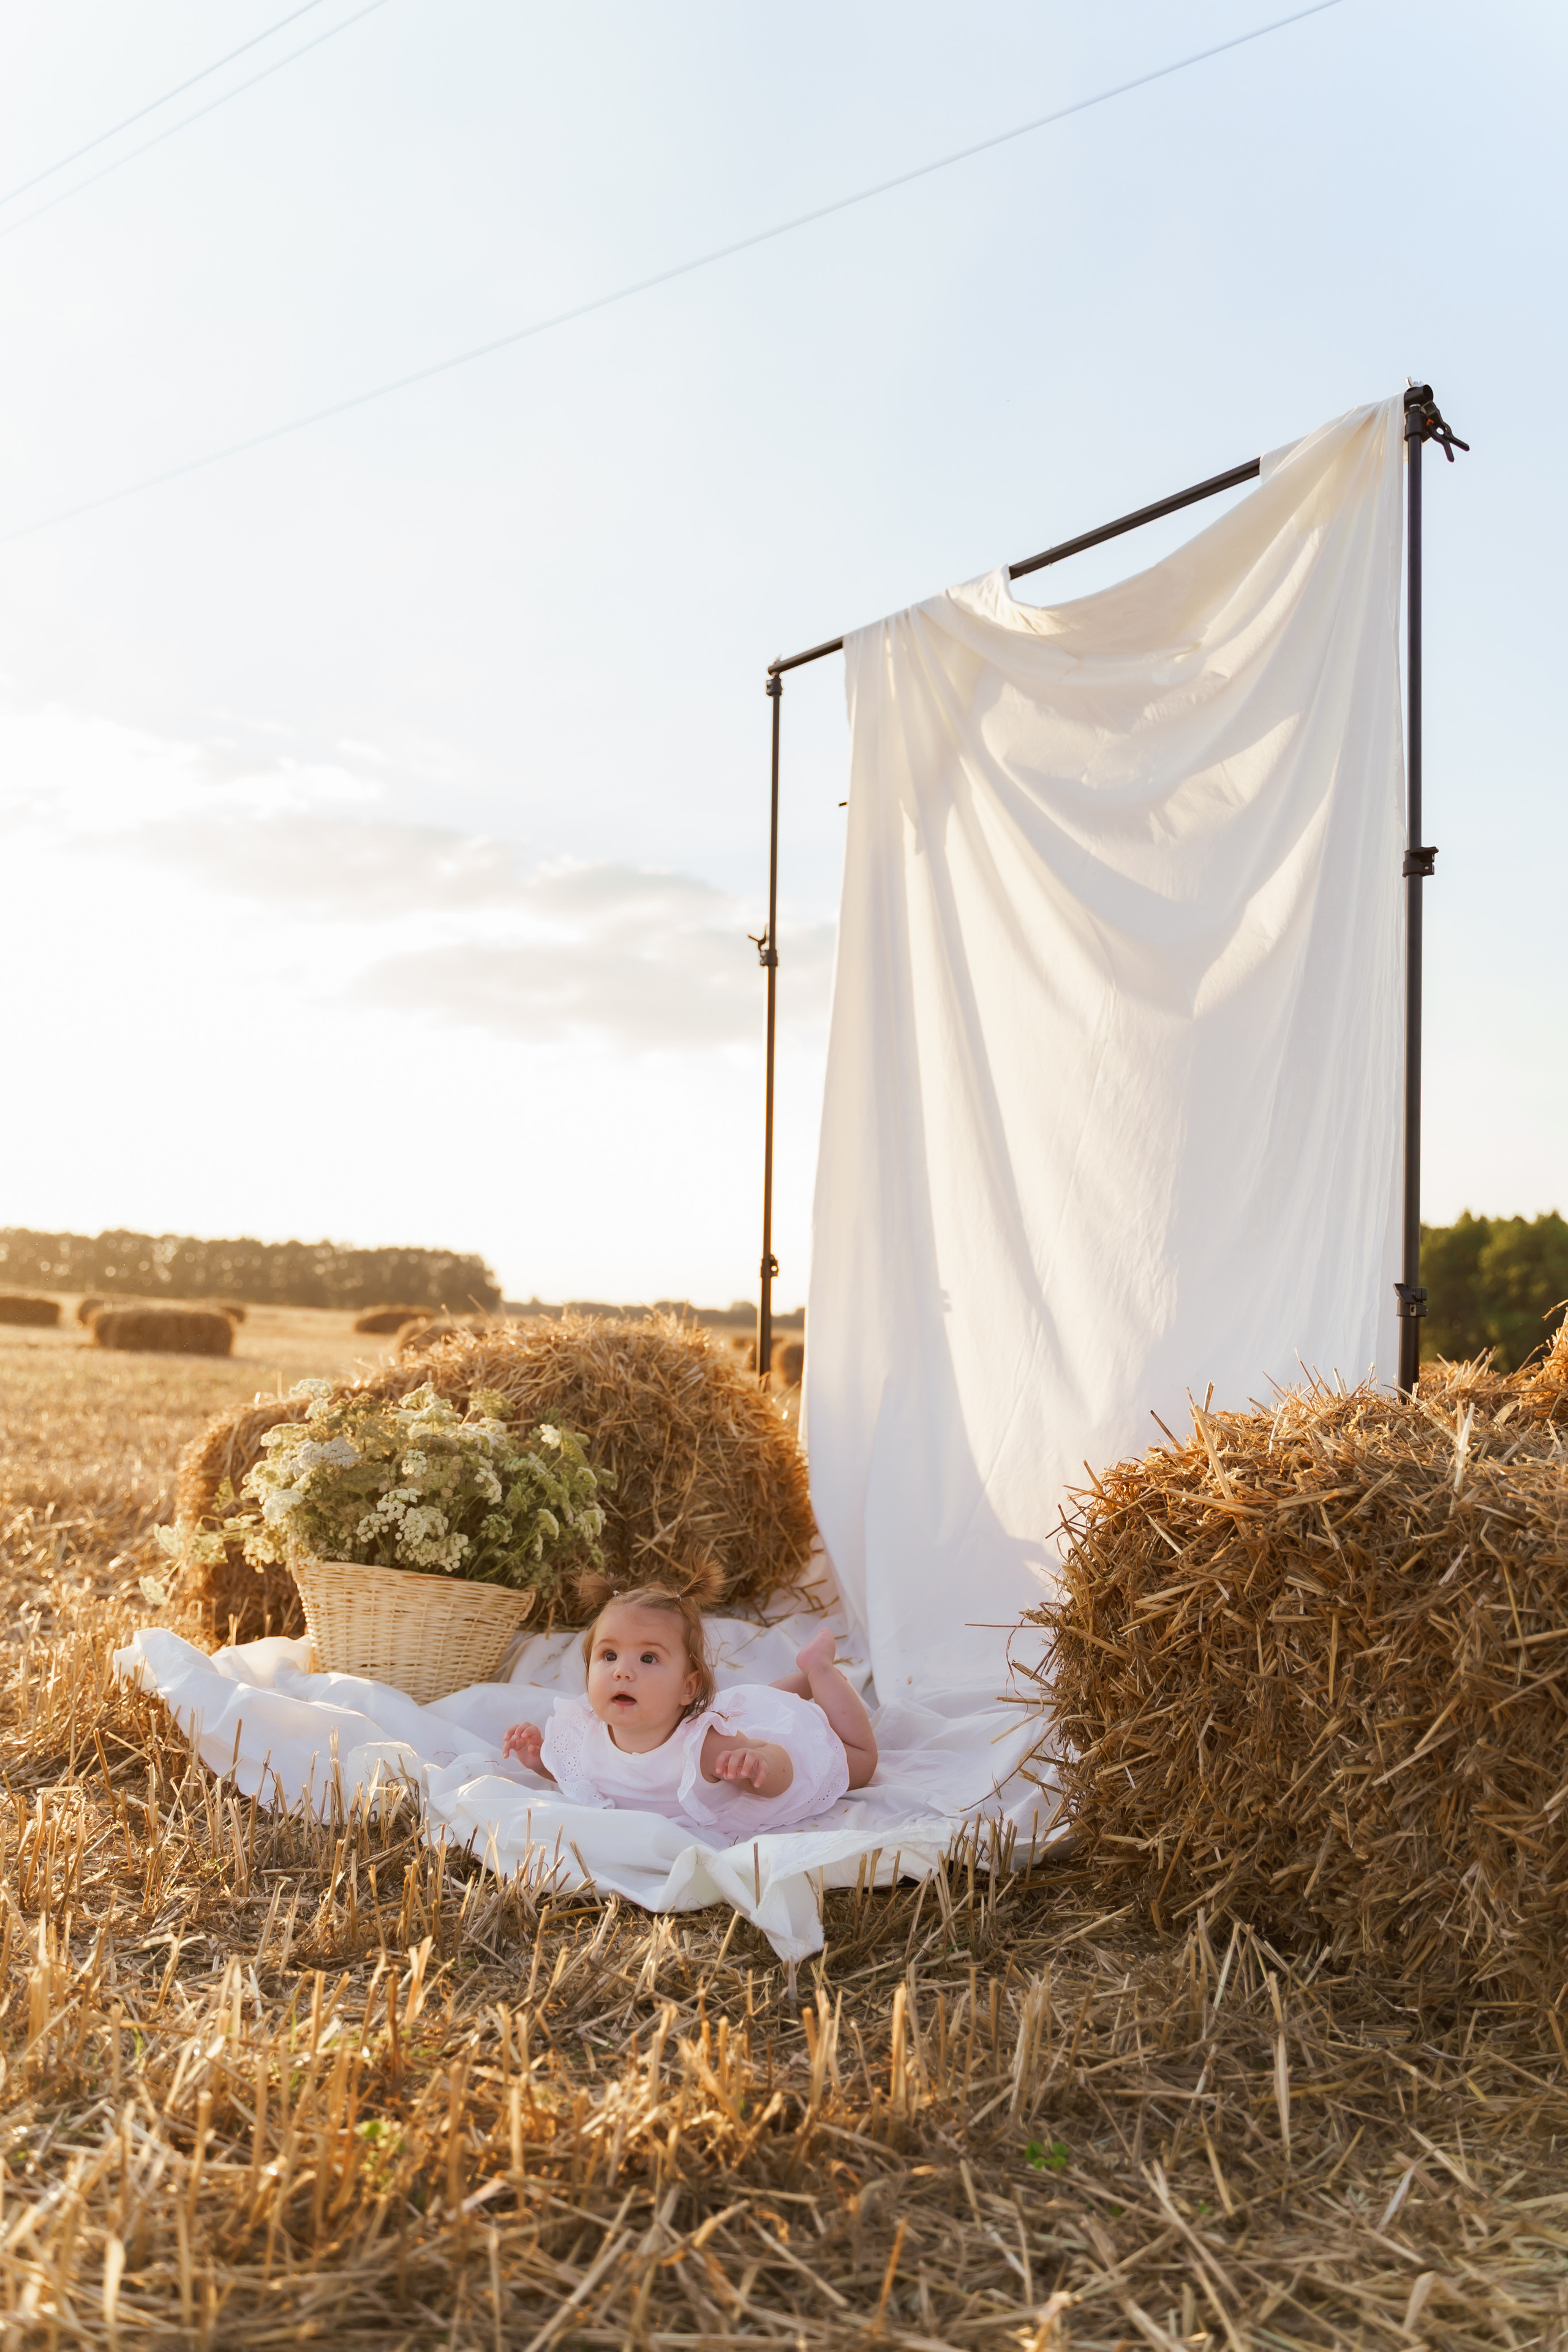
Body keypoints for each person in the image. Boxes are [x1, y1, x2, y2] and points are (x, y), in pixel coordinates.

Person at [501, 1569, 877, 1834]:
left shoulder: (706, 1746)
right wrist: (540, 1761)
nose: (622, 1672)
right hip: (750, 1715)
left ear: (688, 1688)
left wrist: (759, 1765)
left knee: (860, 1763)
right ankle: (801, 1682)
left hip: (784, 1749)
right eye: (609, 1656)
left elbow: (780, 1768)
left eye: (648, 1658)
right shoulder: (586, 1732)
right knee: (762, 1701)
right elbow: (578, 1772)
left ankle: (820, 1670)